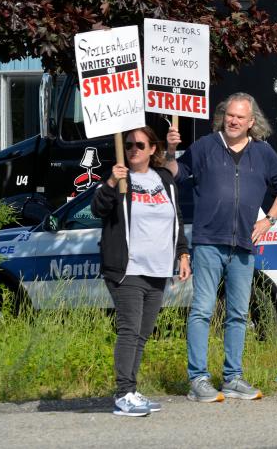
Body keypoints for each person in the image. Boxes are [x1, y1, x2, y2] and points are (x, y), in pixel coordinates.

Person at [166, 93, 277, 402]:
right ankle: (198, 380)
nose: (234, 121)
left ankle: (233, 378)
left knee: (238, 313)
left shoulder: (263, 153)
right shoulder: (204, 147)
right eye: (230, 115)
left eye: (241, 117)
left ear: (252, 122)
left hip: (243, 245)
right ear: (223, 116)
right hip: (209, 241)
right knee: (202, 311)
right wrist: (171, 149)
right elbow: (174, 174)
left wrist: (269, 221)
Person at [92, 126, 190, 417]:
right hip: (127, 269)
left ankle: (131, 390)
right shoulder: (119, 179)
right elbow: (98, 209)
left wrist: (183, 253)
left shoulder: (163, 179)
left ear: (151, 150)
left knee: (143, 333)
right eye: (129, 145)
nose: (133, 149)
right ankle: (123, 394)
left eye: (139, 145)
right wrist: (111, 181)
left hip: (158, 269)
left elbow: (176, 217)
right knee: (129, 329)